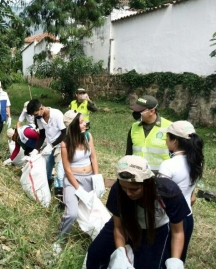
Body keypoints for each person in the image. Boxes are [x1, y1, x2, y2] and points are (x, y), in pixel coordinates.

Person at [86, 155, 191, 269]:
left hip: (156, 229)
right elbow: (118, 228)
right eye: (124, 188)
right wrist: (121, 253)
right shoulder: (118, 190)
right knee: (95, 252)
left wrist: (175, 261)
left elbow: (177, 232)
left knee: (147, 265)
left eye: (134, 189)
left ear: (147, 184)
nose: (128, 193)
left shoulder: (168, 191)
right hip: (126, 222)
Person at [158, 120, 204, 261]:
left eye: (167, 137)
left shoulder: (168, 165)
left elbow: (161, 197)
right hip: (187, 218)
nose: (166, 140)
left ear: (175, 141)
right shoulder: (196, 160)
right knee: (177, 260)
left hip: (170, 220)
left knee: (163, 259)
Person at [55, 110, 104, 241]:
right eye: (81, 122)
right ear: (72, 125)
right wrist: (78, 189)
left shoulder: (87, 136)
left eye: (84, 121)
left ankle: (95, 237)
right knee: (71, 213)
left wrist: (97, 177)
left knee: (93, 211)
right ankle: (60, 240)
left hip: (89, 177)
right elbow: (67, 169)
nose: (85, 124)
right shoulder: (65, 143)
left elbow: (93, 157)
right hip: (73, 180)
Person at [126, 95, 172, 173]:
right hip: (138, 174)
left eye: (140, 111)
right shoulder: (134, 127)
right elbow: (128, 154)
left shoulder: (170, 127)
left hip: (162, 175)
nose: (136, 113)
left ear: (152, 111)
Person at [26, 99, 66, 189]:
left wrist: (52, 146)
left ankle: (62, 194)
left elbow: (64, 133)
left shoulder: (56, 114)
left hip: (60, 145)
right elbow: (42, 135)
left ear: (41, 108)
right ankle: (48, 187)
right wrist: (35, 150)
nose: (35, 116)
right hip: (49, 144)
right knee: (47, 169)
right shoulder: (39, 118)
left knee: (60, 173)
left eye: (36, 114)